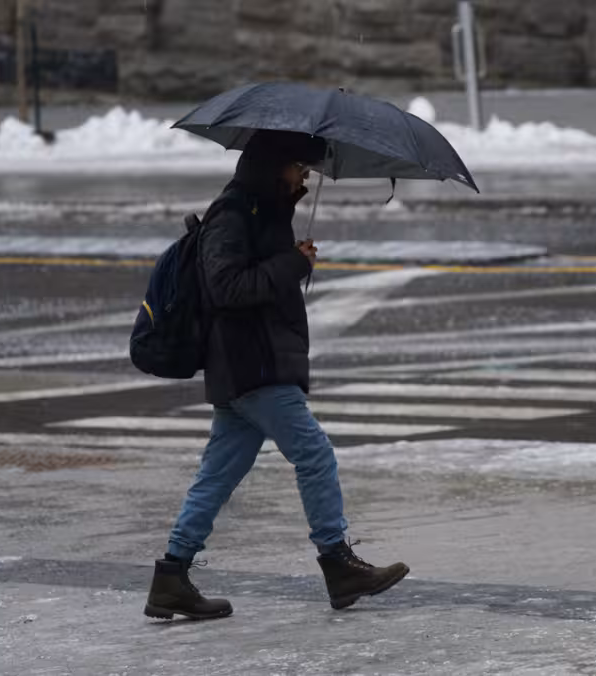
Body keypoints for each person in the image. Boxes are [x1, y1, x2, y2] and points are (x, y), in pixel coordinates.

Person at [144, 130, 409, 620]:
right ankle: (338, 561)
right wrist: (290, 262)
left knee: (218, 475)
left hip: (250, 363)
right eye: (298, 168)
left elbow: (257, 280)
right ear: (274, 166)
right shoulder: (233, 212)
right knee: (314, 455)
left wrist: (294, 262)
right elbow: (226, 287)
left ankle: (171, 576)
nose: (304, 176)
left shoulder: (262, 210)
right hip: (253, 365)